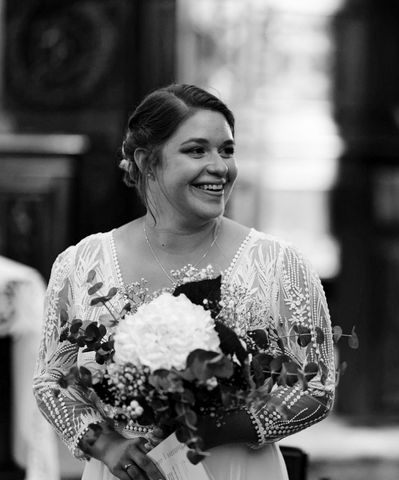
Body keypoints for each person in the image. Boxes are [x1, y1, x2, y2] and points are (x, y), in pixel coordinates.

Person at [32, 84, 335, 480]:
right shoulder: (82, 265)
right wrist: (104, 443)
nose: (220, 167)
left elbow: (318, 386)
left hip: (235, 468)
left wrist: (211, 429)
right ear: (147, 162)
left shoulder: (279, 265)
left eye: (227, 150)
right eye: (197, 150)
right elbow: (51, 380)